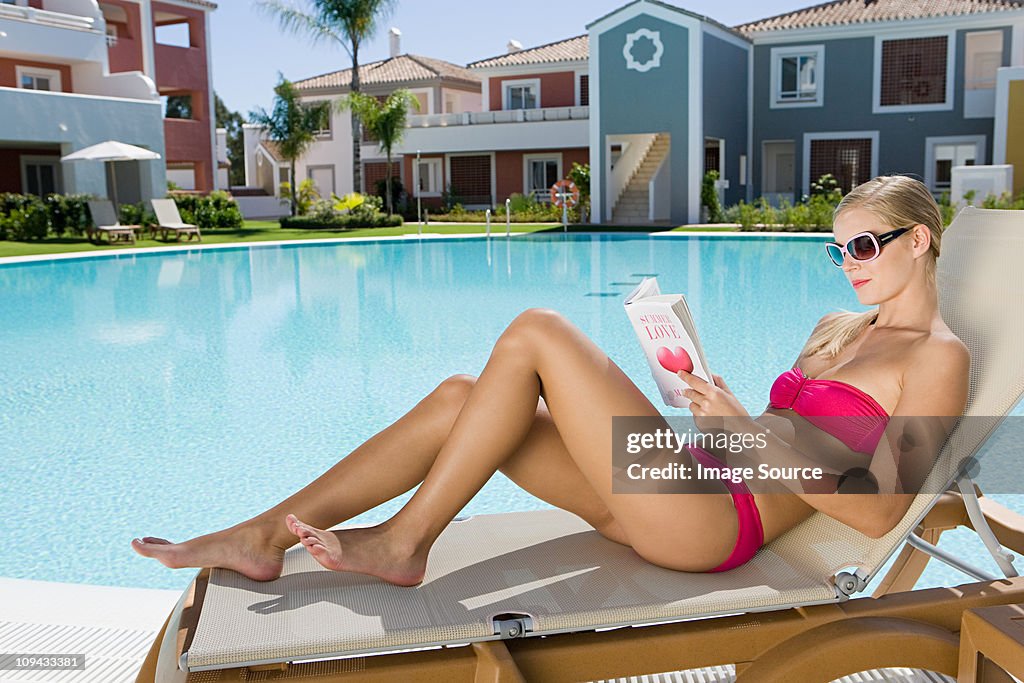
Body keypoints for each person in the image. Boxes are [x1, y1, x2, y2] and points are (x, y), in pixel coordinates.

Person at [131, 175, 969, 585]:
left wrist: (744, 432)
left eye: (862, 246)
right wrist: (716, 407)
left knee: (538, 331)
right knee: (465, 394)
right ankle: (261, 535)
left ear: (919, 240)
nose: (847, 264)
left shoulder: (939, 358)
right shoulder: (840, 331)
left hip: (715, 521)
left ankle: (403, 543)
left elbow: (881, 505)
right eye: (838, 249)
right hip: (678, 485)